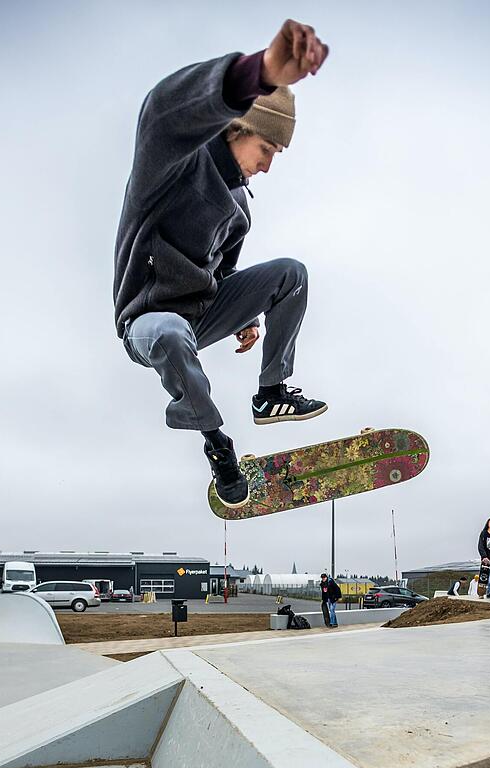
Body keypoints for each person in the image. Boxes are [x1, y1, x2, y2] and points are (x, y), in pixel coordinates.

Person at [114, 20, 330, 508]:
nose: (269, 165)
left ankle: (271, 390)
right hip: (147, 320)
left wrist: (247, 319)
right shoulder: (170, 168)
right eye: (266, 149)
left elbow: (224, 272)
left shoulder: (240, 208)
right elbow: (160, 113)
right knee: (170, 333)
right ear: (237, 128)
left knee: (291, 273)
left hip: (203, 310)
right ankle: (217, 443)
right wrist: (260, 72)